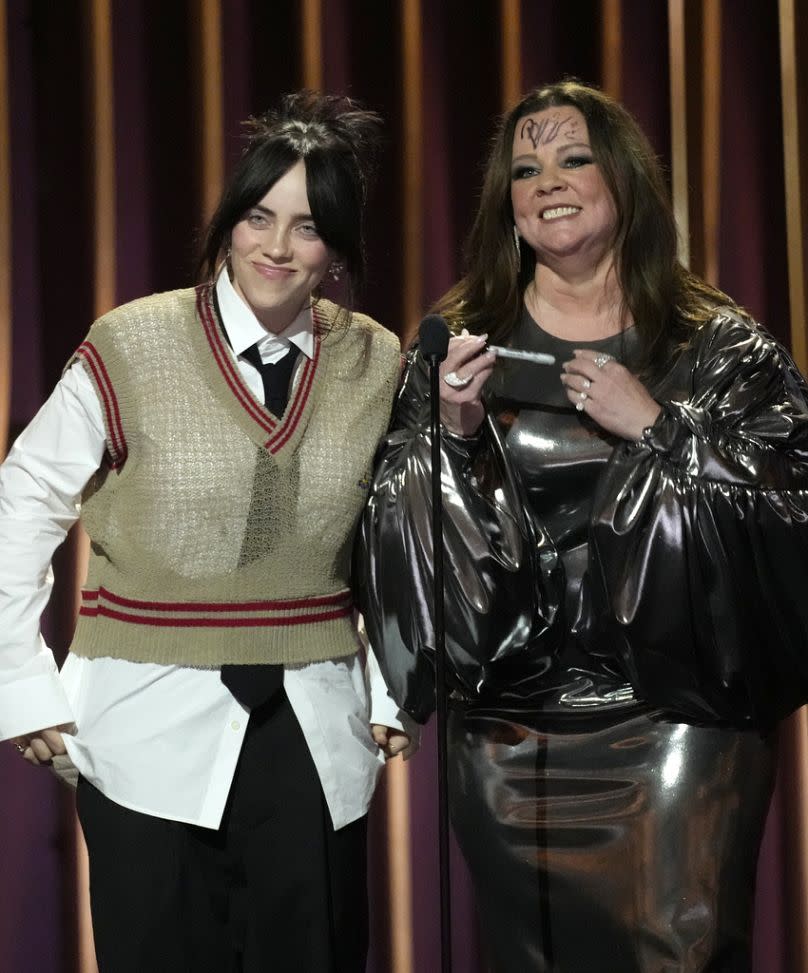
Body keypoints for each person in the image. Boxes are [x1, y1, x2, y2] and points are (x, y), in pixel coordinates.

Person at [357, 79, 808, 972]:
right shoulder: (456, 343)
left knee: (677, 949)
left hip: (679, 724)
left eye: (572, 159)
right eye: (525, 170)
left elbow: (788, 512)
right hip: (511, 739)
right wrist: (453, 436)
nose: (547, 182)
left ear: (624, 183)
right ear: (507, 206)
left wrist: (658, 426)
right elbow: (392, 534)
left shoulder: (717, 345)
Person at [0, 90, 414, 973]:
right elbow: (23, 498)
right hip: (146, 724)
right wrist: (20, 683)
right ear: (227, 224)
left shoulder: (378, 358)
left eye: (307, 226)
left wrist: (397, 680)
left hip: (314, 725)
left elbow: (399, 539)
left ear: (337, 247)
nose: (276, 245)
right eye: (258, 217)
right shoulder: (132, 344)